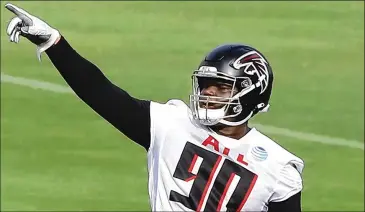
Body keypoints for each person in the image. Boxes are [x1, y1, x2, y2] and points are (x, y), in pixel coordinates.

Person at [5, 3, 305, 212]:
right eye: (205, 85)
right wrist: (54, 43)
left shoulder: (279, 169)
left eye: (222, 86)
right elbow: (100, 94)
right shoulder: (171, 124)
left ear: (252, 93)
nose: (208, 93)